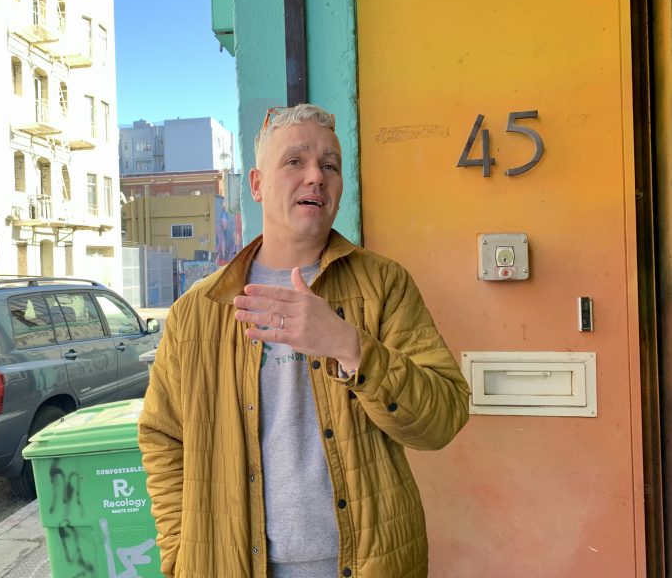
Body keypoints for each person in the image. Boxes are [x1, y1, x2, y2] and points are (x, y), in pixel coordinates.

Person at [138, 104, 470, 578]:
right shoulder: (199, 310)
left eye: (330, 165)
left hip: (370, 564)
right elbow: (162, 437)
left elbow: (442, 420)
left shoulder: (384, 285)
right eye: (294, 161)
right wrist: (179, 550)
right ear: (257, 184)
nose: (316, 176)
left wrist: (351, 347)